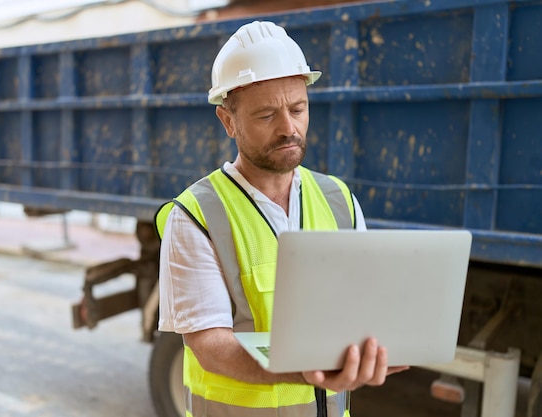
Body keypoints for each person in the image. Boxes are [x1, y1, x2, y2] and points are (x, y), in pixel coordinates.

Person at [155, 21, 408, 417]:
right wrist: (306, 371)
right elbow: (210, 347)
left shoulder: (340, 201)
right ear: (228, 121)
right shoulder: (195, 215)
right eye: (266, 115)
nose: (289, 128)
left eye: (298, 109)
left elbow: (360, 310)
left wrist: (376, 346)